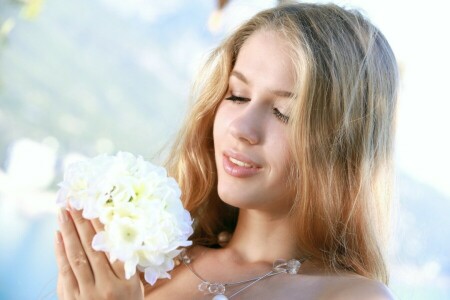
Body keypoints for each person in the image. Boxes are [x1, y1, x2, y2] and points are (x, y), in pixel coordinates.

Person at [55, 2, 398, 299]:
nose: (240, 129)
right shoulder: (150, 261)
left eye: (284, 113)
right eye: (237, 95)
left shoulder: (352, 296)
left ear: (343, 144)